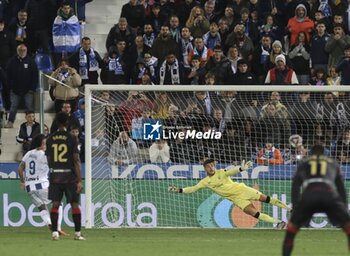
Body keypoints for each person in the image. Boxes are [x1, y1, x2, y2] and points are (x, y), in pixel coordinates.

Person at [169, 159, 291, 228]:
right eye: (208, 166)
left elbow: (231, 172)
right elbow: (193, 188)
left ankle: (289, 209)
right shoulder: (205, 181)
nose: (211, 168)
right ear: (205, 169)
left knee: (266, 198)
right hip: (236, 199)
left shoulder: (221, 172)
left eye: (212, 165)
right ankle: (279, 223)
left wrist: (241, 169)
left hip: (243, 189)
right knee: (254, 213)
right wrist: (179, 190)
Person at [282, 145, 350, 256]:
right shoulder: (333, 163)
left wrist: (295, 207)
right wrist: (344, 208)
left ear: (311, 153)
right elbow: (341, 188)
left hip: (309, 195)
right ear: (324, 153)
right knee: (348, 228)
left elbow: (295, 187)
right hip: (329, 195)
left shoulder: (304, 163)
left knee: (291, 231)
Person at [18, 134, 67, 236]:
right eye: (45, 143)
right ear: (40, 144)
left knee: (41, 206)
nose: (46, 145)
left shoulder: (28, 153)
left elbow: (20, 168)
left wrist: (22, 181)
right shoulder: (44, 155)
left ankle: (49, 223)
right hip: (41, 185)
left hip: (29, 187)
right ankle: (57, 227)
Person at [46, 112, 84, 240]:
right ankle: (77, 234)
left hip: (55, 175)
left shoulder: (50, 138)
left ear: (56, 123)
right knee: (74, 204)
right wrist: (79, 180)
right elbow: (76, 159)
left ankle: (55, 233)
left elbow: (49, 158)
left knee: (55, 204)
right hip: (69, 176)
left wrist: (54, 168)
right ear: (67, 123)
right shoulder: (72, 137)